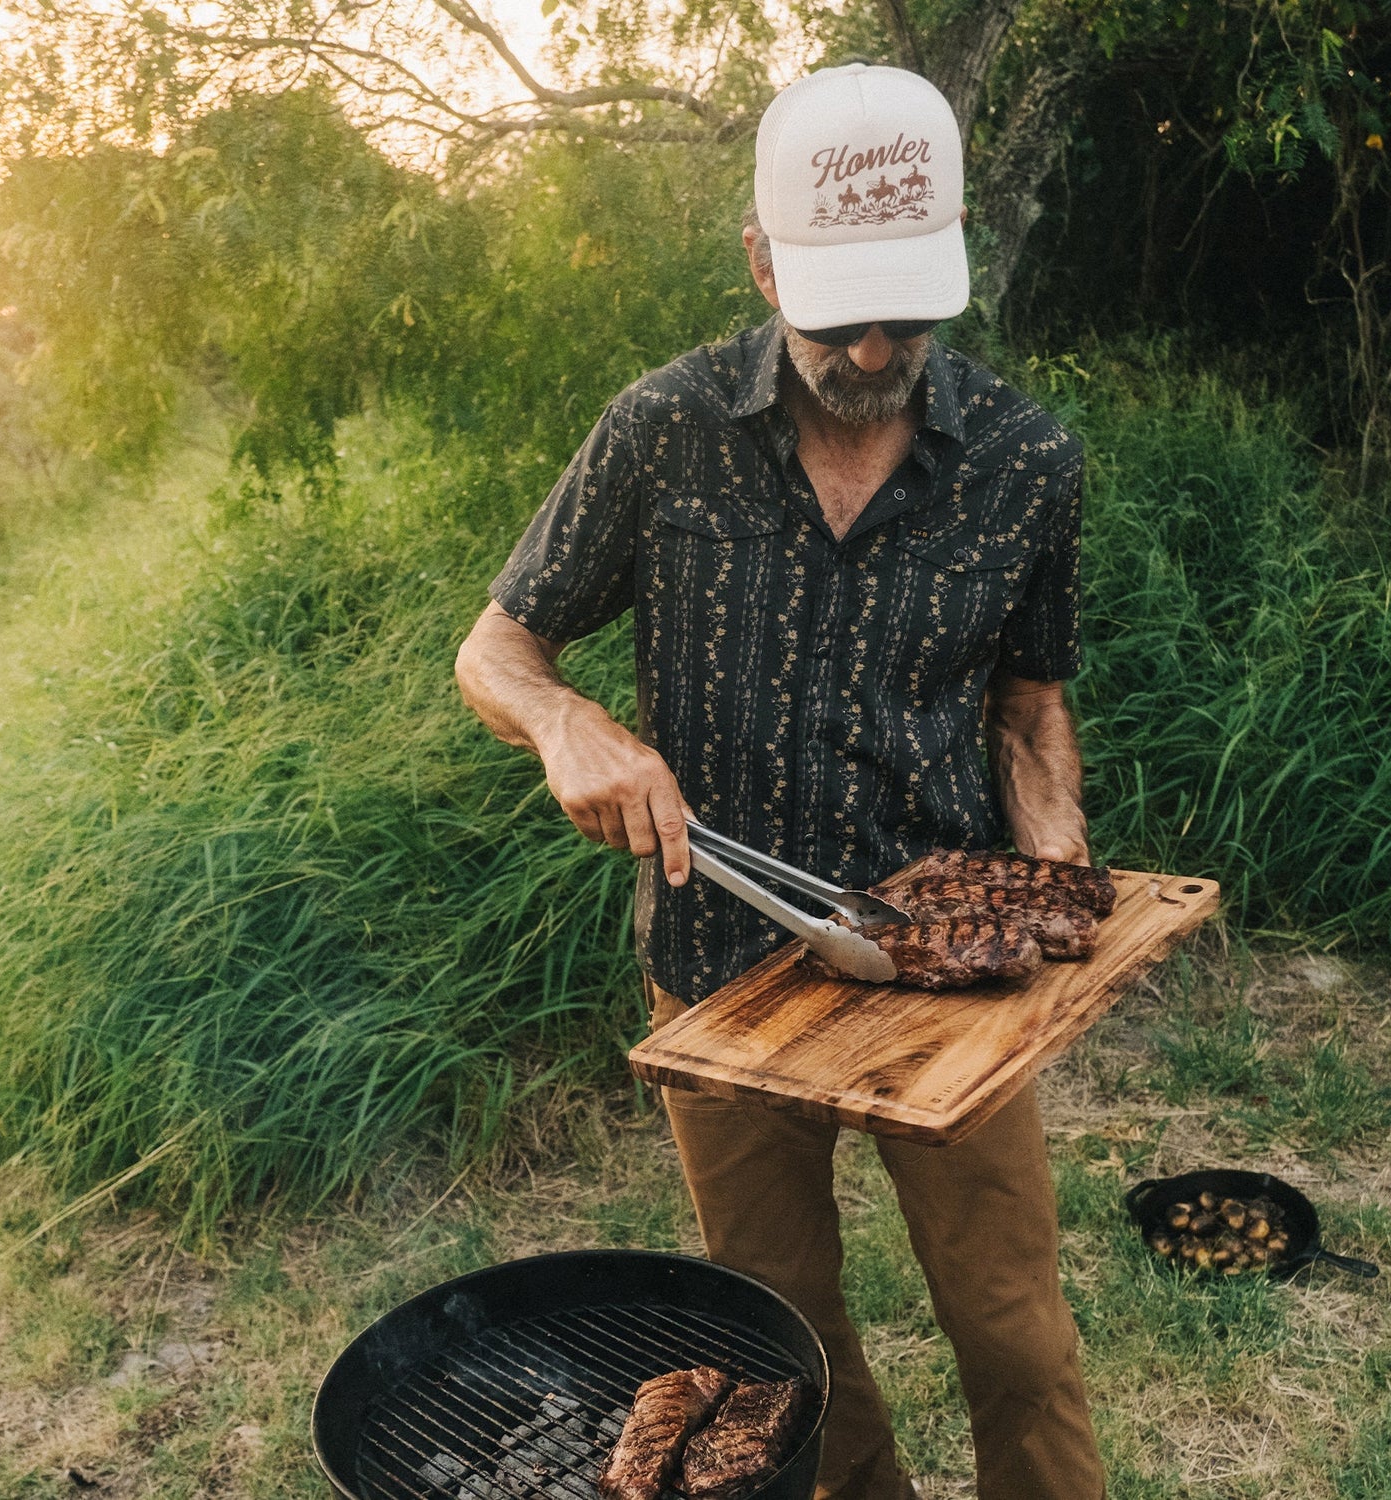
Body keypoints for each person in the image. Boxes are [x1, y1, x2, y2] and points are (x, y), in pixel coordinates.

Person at [456, 61, 1106, 1500]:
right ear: (762, 261)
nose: (878, 351)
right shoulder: (662, 432)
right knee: (785, 1348)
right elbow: (499, 648)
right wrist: (568, 724)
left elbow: (1029, 703)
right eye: (841, 312)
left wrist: (1056, 876)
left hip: (942, 981)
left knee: (1016, 1332)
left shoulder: (1027, 463)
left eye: (910, 312)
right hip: (720, 971)